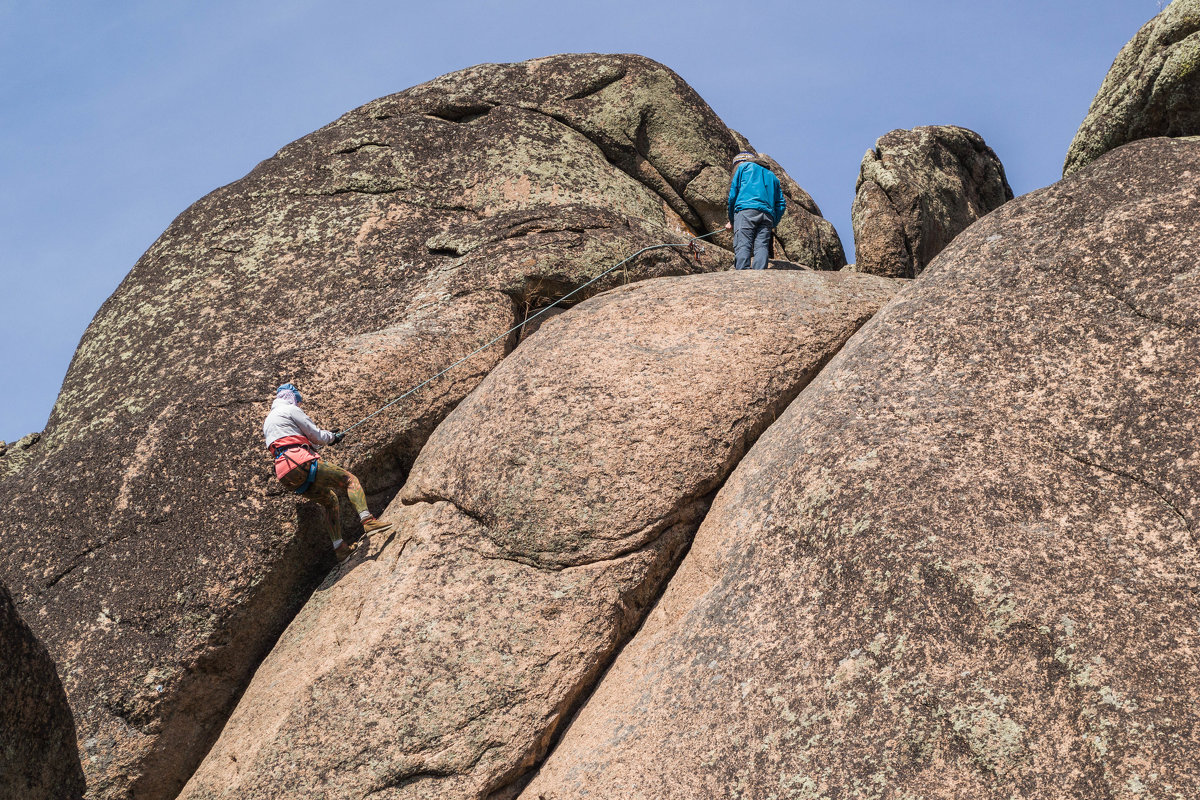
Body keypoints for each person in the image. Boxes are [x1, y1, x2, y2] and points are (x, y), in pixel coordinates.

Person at [262, 383, 392, 562]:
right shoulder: (290, 410)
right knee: (349, 480)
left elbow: (296, 441)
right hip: (300, 461)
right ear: (291, 398)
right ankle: (367, 520)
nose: (299, 404)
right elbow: (315, 435)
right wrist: (331, 438)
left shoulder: (269, 421)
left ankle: (340, 548)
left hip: (286, 474)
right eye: (297, 401)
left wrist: (326, 439)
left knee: (330, 501)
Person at [724, 151, 787, 270]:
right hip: (767, 215)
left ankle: (742, 272)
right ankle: (760, 273)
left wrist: (732, 220)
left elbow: (733, 194)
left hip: (746, 210)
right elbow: (781, 204)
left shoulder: (743, 168)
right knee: (762, 245)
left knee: (743, 243)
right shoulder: (772, 176)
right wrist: (773, 221)